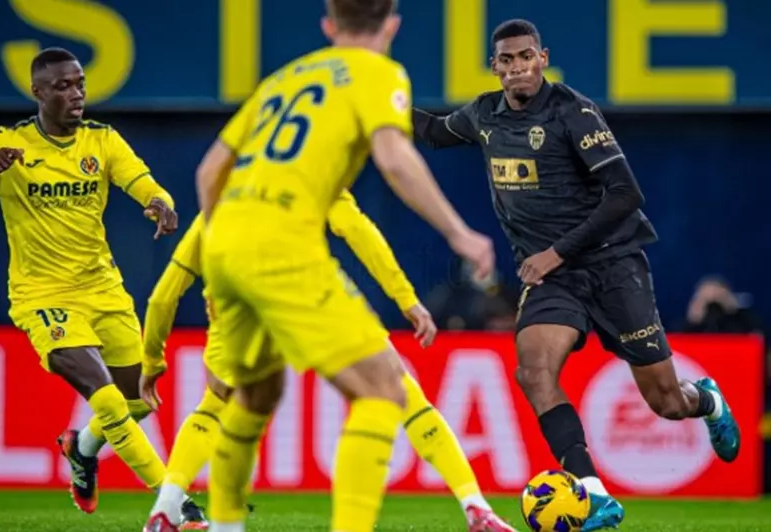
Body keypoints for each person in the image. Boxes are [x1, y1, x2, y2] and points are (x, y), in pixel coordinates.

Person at [411, 19, 740, 531]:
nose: (518, 67)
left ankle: (708, 400)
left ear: (542, 58)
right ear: (494, 67)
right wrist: (374, 108)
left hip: (612, 267)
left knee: (667, 402)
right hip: (553, 280)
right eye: (507, 60)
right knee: (533, 371)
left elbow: (626, 195)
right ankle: (593, 493)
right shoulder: (483, 114)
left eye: (526, 56)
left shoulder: (573, 112)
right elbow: (432, 132)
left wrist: (556, 252)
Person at [193, 1, 497, 531]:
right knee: (384, 388)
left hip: (222, 242)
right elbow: (395, 159)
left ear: (329, 26)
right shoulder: (378, 72)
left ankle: (224, 525)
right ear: (392, 25)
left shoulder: (284, 78)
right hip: (283, 244)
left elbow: (209, 170)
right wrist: (457, 231)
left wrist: (223, 257)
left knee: (257, 394)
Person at [142, 198, 514, 531]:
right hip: (307, 291)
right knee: (399, 389)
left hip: (237, 304)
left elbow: (163, 296)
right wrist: (406, 299)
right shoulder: (306, 169)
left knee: (215, 405)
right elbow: (357, 229)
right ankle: (475, 508)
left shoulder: (222, 195)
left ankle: (165, 509)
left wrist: (152, 359)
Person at [0, 48, 205, 526]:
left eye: (79, 83)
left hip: (103, 289)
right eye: (63, 86)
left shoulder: (102, 141)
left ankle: (81, 447)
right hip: (43, 297)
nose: (76, 94)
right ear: (38, 92)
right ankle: (175, 505)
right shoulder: (9, 143)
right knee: (108, 399)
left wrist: (160, 202)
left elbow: (140, 179)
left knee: (138, 400)